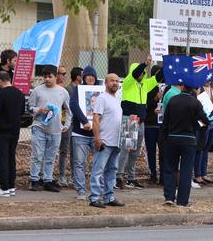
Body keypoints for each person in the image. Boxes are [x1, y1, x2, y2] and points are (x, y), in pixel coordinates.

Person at [118, 55, 163, 190]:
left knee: (135, 151)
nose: (142, 74)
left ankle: (131, 178)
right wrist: (144, 63)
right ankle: (118, 176)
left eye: (144, 73)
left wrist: (167, 65)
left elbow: (159, 77)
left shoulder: (145, 85)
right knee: (125, 150)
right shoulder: (128, 83)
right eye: (141, 72)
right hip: (130, 119)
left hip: (141, 122)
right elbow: (136, 72)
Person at [162, 85, 208, 206]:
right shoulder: (195, 103)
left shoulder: (173, 100)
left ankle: (169, 197)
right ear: (193, 89)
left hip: (172, 139)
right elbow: (206, 120)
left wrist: (165, 138)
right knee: (186, 170)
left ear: (182, 87)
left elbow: (165, 121)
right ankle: (182, 201)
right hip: (189, 140)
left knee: (170, 168)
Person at [28, 65, 71, 192]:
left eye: (50, 76)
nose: (47, 79)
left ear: (55, 76)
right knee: (37, 155)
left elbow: (68, 111)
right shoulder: (37, 90)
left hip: (56, 130)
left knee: (51, 156)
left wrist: (66, 125)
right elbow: (29, 109)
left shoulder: (62, 92)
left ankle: (48, 180)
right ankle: (34, 179)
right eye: (45, 77)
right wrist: (39, 110)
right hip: (39, 127)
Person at [88, 74, 125, 208]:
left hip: (116, 142)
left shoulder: (116, 99)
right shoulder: (102, 98)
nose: (115, 83)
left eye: (117, 81)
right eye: (112, 81)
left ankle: (109, 196)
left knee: (112, 170)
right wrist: (97, 138)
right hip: (104, 141)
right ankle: (94, 197)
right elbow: (96, 119)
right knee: (98, 169)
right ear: (106, 82)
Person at [0, 71, 25, 197]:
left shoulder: (1, 94)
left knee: (2, 159)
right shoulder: (19, 94)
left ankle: (4, 188)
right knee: (11, 158)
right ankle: (11, 186)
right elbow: (22, 111)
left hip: (1, 131)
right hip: (15, 131)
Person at [69, 66, 99, 200]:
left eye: (93, 76)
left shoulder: (101, 91)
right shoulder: (78, 90)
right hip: (80, 133)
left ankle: (97, 190)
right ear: (84, 78)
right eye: (88, 76)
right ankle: (81, 191)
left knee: (99, 163)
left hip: (97, 134)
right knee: (79, 163)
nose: (91, 78)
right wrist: (84, 121)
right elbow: (73, 104)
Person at [144, 66, 164, 185]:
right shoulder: (148, 87)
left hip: (161, 125)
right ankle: (152, 174)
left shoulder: (165, 87)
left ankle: (163, 175)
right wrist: (154, 102)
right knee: (151, 151)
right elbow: (144, 106)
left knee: (163, 151)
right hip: (150, 124)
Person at [195, 96, 213, 185]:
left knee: (206, 149)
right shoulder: (200, 92)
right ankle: (197, 174)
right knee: (200, 148)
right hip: (203, 123)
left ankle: (203, 173)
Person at [54, 65, 73, 187]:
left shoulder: (65, 90)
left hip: (64, 122)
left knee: (64, 150)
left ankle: (62, 175)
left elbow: (68, 107)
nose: (64, 76)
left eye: (65, 73)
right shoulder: (49, 89)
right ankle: (44, 175)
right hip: (52, 123)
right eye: (62, 73)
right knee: (49, 150)